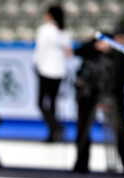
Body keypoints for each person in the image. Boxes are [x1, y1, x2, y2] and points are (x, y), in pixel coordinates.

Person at [73, 25, 124, 175]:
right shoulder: (104, 41)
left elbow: (120, 81)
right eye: (119, 37)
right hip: (88, 92)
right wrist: (97, 47)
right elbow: (79, 51)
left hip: (113, 96)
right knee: (83, 129)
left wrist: (106, 98)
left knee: (121, 130)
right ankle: (80, 164)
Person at [34, 5, 72, 143]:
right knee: (53, 103)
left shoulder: (45, 30)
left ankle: (56, 127)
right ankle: (53, 133)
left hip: (45, 70)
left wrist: (37, 64)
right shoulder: (64, 32)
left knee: (40, 102)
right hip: (59, 71)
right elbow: (69, 53)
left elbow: (40, 50)